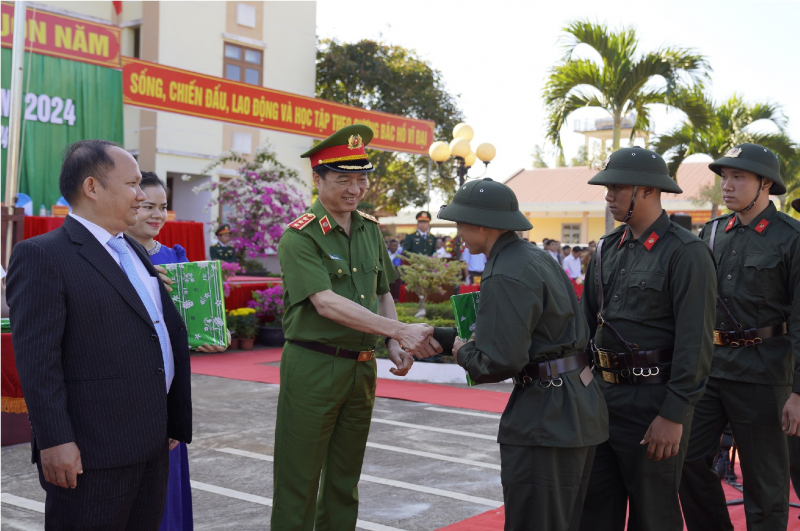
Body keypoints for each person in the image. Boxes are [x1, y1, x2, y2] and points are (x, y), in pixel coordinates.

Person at [6, 140, 192, 529]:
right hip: (92, 452)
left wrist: (171, 419)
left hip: (151, 443)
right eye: (133, 185)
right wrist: (56, 441)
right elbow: (39, 362)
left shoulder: (135, 252)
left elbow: (151, 334)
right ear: (93, 187)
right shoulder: (44, 255)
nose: (142, 197)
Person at [271, 124, 442, 530]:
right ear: (318, 179)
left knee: (345, 481)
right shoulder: (299, 237)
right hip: (313, 367)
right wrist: (399, 332)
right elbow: (326, 303)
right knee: (298, 481)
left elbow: (382, 290)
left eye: (361, 178)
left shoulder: (369, 229)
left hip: (361, 368)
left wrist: (391, 340)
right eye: (343, 179)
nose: (355, 188)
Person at [432, 177, 608, 531]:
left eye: (461, 222)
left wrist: (463, 353)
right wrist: (443, 335)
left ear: (482, 224)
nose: (458, 232)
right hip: (576, 403)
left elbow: (498, 362)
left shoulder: (504, 271)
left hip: (546, 416)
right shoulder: (534, 257)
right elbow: (538, 334)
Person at [579, 147, 716, 531]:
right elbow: (585, 327)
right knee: (593, 511)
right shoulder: (606, 249)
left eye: (617, 188)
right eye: (607, 188)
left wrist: (673, 415)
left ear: (648, 191)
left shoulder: (686, 252)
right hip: (603, 399)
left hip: (654, 402)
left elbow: (696, 344)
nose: (608, 196)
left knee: (653, 516)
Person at [679, 143, 800, 531]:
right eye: (725, 177)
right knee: (687, 460)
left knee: (765, 483)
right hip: (712, 370)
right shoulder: (712, 234)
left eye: (738, 177)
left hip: (765, 374)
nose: (726, 186)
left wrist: (799, 392)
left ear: (766, 184)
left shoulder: (791, 238)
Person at [125, 171, 227, 531]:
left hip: (167, 389)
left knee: (166, 481)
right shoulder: (111, 258)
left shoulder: (176, 258)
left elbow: (187, 324)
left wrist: (204, 340)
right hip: (125, 387)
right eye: (147, 206)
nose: (156, 215)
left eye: (163, 207)